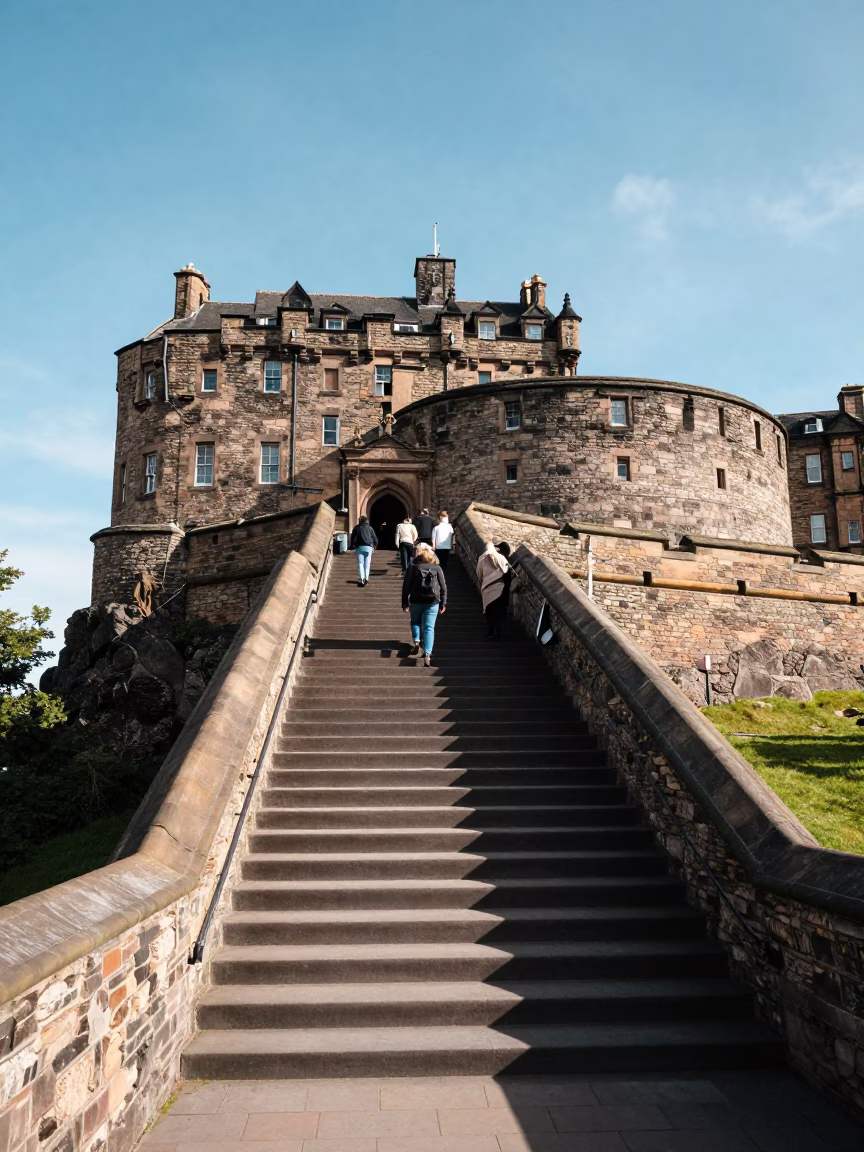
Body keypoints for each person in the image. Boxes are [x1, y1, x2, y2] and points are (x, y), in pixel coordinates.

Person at [402, 542, 446, 667]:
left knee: (415, 621)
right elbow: (443, 587)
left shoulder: (413, 567)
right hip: (433, 602)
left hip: (416, 600)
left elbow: (406, 586)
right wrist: (443, 602)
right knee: (429, 628)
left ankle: (416, 642)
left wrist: (405, 602)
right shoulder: (437, 568)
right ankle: (427, 654)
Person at [476, 540, 513, 640]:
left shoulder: (482, 558)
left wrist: (484, 581)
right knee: (499, 610)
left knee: (489, 611)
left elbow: (479, 573)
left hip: (487, 589)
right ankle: (498, 630)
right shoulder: (501, 558)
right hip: (499, 588)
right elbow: (506, 571)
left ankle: (490, 631)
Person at [349, 515, 378, 586]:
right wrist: (375, 545)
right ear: (366, 521)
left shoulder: (356, 528)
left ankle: (362, 578)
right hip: (369, 547)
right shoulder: (370, 528)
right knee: (367, 564)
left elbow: (353, 538)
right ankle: (366, 578)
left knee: (360, 563)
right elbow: (375, 538)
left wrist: (352, 545)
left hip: (359, 547)